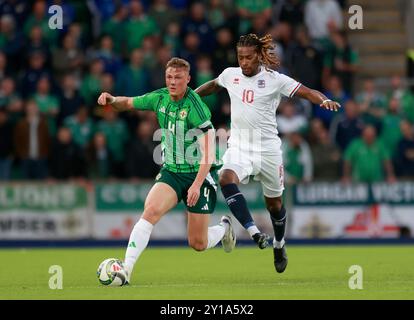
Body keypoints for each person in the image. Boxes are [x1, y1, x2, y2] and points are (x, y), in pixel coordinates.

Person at [195, 33, 340, 273]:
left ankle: (279, 243)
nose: (244, 62)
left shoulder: (275, 79)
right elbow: (213, 85)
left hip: (269, 151)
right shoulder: (230, 75)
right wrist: (189, 96)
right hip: (240, 146)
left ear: (259, 56)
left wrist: (323, 100)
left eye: (249, 57)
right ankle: (254, 232)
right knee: (225, 178)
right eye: (240, 57)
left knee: (274, 205)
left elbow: (307, 91)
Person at [97, 57, 236, 284]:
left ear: (188, 79)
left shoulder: (197, 109)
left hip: (200, 174)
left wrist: (196, 184)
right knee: (150, 211)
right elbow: (129, 102)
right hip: (172, 171)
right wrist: (112, 99)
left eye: (178, 78)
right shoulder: (160, 97)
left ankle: (224, 227)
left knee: (198, 243)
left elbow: (209, 154)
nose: (172, 82)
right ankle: (127, 269)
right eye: (169, 77)